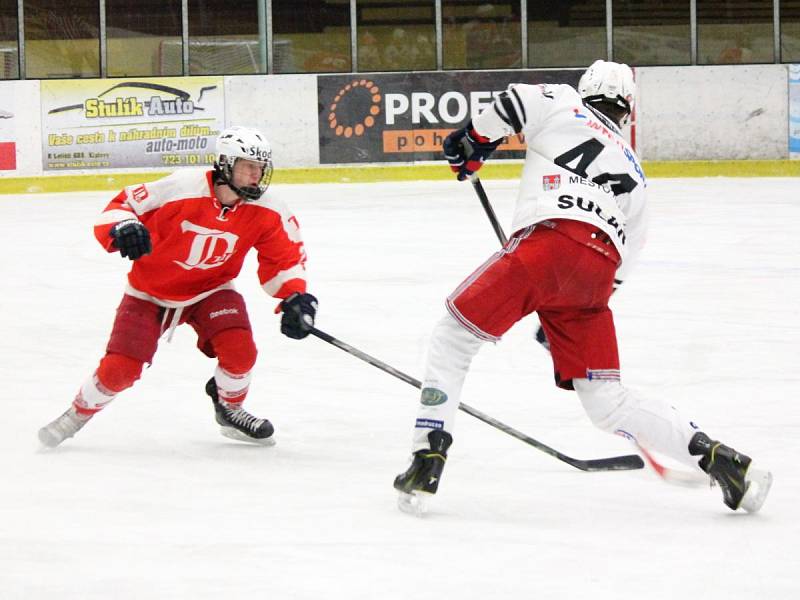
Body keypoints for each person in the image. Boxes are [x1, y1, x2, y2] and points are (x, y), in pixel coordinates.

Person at [393, 60, 772, 514]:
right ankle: (719, 458)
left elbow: (511, 103)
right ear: (627, 108)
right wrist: (562, 311)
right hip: (594, 278)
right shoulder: (635, 172)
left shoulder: (565, 102)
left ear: (586, 88)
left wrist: (474, 140)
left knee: (453, 339)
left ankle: (427, 454)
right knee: (608, 403)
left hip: (547, 243)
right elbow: (621, 264)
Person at [38, 126, 318, 448]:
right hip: (148, 292)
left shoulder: (269, 209)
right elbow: (122, 205)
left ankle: (230, 409)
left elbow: (284, 258)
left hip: (211, 290)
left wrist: (296, 296)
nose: (257, 175)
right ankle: (74, 416)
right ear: (225, 164)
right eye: (248, 166)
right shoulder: (181, 187)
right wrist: (124, 226)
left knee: (241, 351)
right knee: (121, 370)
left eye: (261, 167)